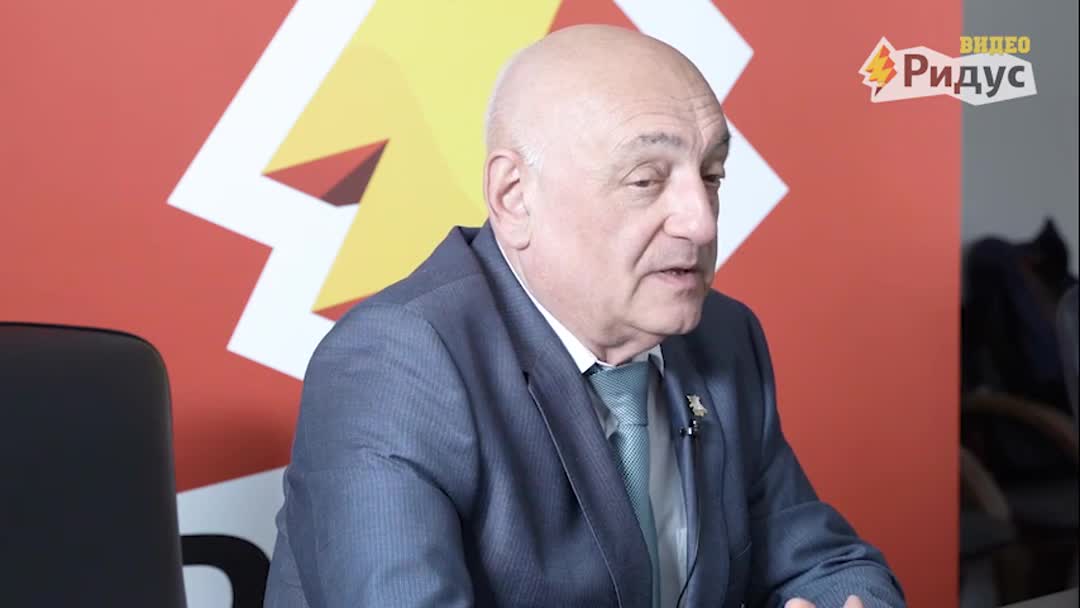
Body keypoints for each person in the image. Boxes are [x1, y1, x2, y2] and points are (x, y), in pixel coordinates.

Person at [264, 24, 905, 608]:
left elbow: (827, 565)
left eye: (711, 176)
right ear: (515, 198)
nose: (702, 222)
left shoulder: (723, 336)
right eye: (646, 180)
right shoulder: (398, 363)